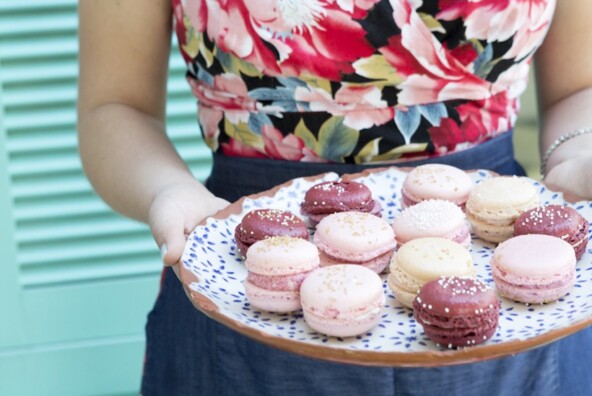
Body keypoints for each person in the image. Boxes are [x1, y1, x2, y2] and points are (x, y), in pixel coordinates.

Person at [77, 1, 592, 394]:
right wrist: (168, 192)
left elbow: (580, 87)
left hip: (505, 276)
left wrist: (577, 158)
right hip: (245, 262)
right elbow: (116, 105)